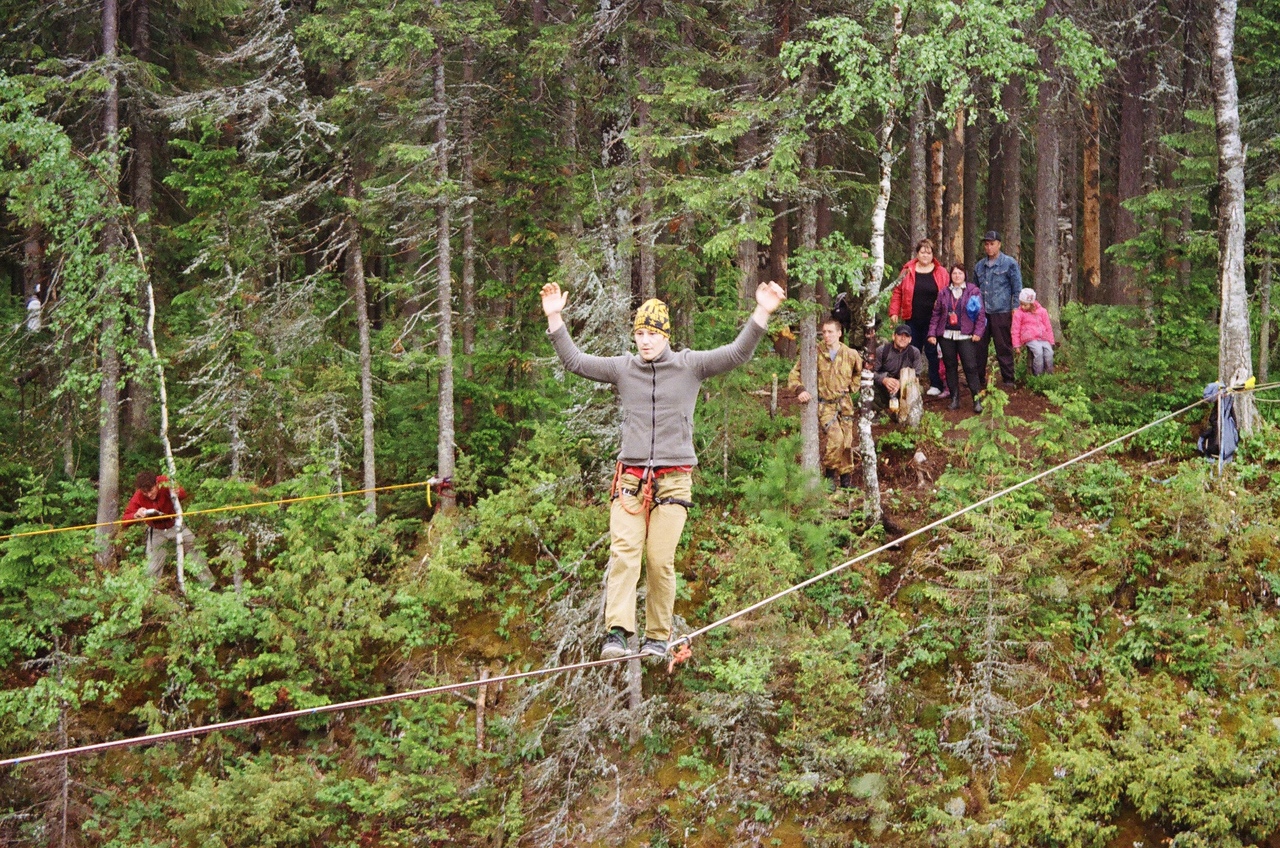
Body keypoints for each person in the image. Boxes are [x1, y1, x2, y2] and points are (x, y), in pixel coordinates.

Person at [542, 280, 787, 661]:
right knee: (624, 553)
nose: (645, 341)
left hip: (674, 478)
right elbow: (575, 361)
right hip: (631, 479)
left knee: (659, 559)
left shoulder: (690, 365)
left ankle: (657, 636)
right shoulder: (623, 369)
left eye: (652, 334)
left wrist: (763, 312)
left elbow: (737, 353)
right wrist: (555, 316)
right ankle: (618, 633)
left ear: (665, 336)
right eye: (639, 333)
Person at [789, 317, 864, 489]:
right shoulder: (814, 352)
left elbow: (860, 374)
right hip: (825, 405)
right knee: (836, 439)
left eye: (830, 332)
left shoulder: (851, 354)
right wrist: (800, 390)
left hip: (844, 404)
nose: (826, 335)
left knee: (846, 442)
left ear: (839, 333)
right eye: (824, 332)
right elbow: (794, 374)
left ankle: (846, 481)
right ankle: (829, 477)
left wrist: (852, 387)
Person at [123, 471, 213, 586]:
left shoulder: (164, 482)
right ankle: (150, 593)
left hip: (175, 525)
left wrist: (177, 492)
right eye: (145, 493)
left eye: (151, 490)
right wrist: (136, 514)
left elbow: (183, 494)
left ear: (156, 484)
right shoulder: (139, 496)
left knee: (195, 549)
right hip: (156, 531)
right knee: (152, 565)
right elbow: (125, 520)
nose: (149, 495)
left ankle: (209, 584)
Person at [890, 238, 948, 397]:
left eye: (929, 252)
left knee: (932, 351)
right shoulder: (907, 270)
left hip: (934, 320)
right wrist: (894, 311)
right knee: (911, 350)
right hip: (912, 318)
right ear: (917, 253)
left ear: (933, 255)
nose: (925, 255)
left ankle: (936, 383)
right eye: (922, 252)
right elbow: (897, 292)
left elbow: (947, 294)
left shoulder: (940, 271)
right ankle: (909, 383)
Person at [928, 264, 987, 413]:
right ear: (951, 275)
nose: (957, 276)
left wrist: (978, 332)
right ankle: (954, 398)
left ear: (964, 275)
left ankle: (976, 399)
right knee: (950, 366)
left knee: (970, 366)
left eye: (960, 273)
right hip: (946, 335)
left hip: (966, 334)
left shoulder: (973, 291)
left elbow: (980, 314)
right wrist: (932, 334)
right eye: (954, 273)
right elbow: (936, 314)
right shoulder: (943, 293)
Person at [972, 230, 1023, 387]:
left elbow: (1017, 287)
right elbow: (975, 289)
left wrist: (1015, 307)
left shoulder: (1009, 263)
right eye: (986, 244)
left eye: (992, 244)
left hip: (1002, 311)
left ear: (999, 244)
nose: (989, 247)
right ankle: (978, 379)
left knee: (1003, 346)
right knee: (979, 347)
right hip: (983, 313)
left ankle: (1008, 378)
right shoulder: (979, 266)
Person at [873, 324, 924, 413]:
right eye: (900, 335)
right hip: (884, 386)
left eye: (906, 336)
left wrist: (901, 383)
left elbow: (917, 374)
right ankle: (881, 411)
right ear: (893, 336)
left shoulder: (914, 352)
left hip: (904, 387)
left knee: (919, 388)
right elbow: (871, 372)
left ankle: (908, 411)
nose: (903, 338)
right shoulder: (882, 351)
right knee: (868, 386)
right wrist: (884, 380)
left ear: (910, 339)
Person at [1011, 288, 1055, 376]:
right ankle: (1038, 375)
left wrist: (1051, 341)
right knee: (1038, 353)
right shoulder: (1019, 313)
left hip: (1043, 337)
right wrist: (1017, 345)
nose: (1022, 307)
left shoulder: (1042, 311)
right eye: (1021, 304)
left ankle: (1049, 374)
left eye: (1025, 305)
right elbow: (1015, 329)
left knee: (1049, 353)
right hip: (1030, 337)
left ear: (1032, 303)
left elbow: (1048, 327)